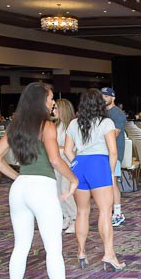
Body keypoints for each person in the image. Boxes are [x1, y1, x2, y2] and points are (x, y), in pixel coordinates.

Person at [0, 83, 85, 279]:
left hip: (20, 188)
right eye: (50, 98)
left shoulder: (15, 126)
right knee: (53, 247)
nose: (52, 102)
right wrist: (74, 179)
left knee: (20, 246)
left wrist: (19, 177)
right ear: (41, 100)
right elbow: (55, 160)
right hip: (42, 188)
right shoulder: (47, 125)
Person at [64, 89, 124, 271]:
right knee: (105, 211)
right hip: (99, 164)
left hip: (79, 165)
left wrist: (76, 163)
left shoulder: (74, 123)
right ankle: (109, 254)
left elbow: (67, 150)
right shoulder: (106, 122)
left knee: (82, 212)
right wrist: (110, 172)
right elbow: (113, 151)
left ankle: (81, 252)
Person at [101, 87, 127, 227]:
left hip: (113, 153)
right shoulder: (101, 113)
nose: (103, 98)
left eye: (106, 96)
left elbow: (114, 134)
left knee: (112, 181)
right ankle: (109, 211)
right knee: (106, 182)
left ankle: (117, 213)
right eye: (102, 96)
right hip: (102, 152)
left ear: (113, 97)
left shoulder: (118, 114)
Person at [54, 99, 77, 233]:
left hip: (68, 162)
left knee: (66, 190)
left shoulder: (72, 125)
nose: (53, 111)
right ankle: (66, 216)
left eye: (56, 108)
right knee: (57, 190)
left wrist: (59, 148)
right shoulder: (57, 125)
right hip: (57, 160)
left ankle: (74, 219)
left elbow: (73, 147)